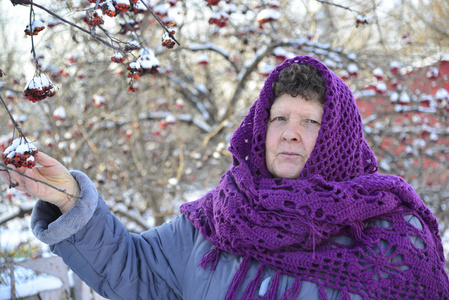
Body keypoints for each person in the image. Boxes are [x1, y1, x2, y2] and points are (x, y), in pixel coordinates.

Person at [1, 56, 448, 300]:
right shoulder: (215, 220)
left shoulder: (391, 235)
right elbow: (135, 269)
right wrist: (71, 201)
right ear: (261, 126)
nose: (290, 132)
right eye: (279, 117)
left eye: (310, 122)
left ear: (338, 137)